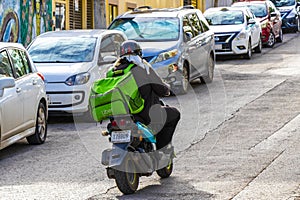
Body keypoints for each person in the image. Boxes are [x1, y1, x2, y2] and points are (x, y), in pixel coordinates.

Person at [111, 40, 181, 150]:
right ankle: (161, 150)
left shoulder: (113, 71)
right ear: (139, 54)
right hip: (145, 114)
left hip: (119, 117)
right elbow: (161, 89)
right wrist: (167, 88)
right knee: (174, 114)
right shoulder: (143, 68)